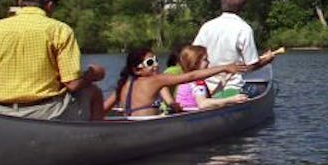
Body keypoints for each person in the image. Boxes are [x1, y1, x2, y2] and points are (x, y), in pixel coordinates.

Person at [0, 0, 106, 122]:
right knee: (93, 92)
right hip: (46, 112)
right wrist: (92, 74)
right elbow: (73, 84)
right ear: (49, 5)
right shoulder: (60, 30)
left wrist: (0, 96)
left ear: (20, 2)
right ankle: (97, 140)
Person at [104, 47, 249, 119]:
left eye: (156, 60)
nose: (156, 65)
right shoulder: (155, 80)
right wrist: (224, 67)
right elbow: (190, 76)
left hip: (132, 125)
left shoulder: (122, 85)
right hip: (146, 127)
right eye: (150, 62)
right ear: (136, 69)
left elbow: (103, 109)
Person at [193, 0, 282, 98]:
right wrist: (267, 60)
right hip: (232, 89)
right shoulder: (244, 29)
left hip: (204, 89)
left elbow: (193, 57)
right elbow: (250, 67)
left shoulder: (206, 27)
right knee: (258, 89)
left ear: (222, 3)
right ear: (242, 7)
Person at [173, 44, 250, 111]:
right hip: (193, 114)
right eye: (205, 59)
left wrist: (223, 82)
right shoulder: (198, 82)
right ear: (195, 63)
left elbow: (207, 96)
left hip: (185, 113)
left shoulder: (185, 80)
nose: (208, 62)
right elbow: (203, 104)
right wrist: (231, 100)